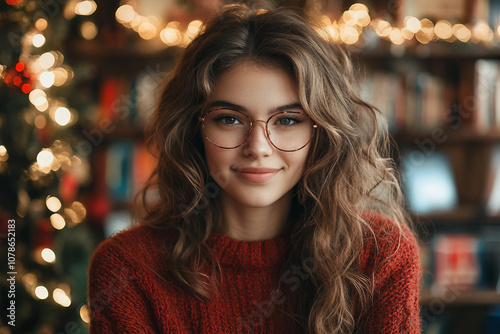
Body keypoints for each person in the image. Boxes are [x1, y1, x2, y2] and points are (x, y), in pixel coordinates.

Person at [88, 3, 421, 333]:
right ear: (193, 129)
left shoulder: (381, 255)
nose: (257, 147)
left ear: (322, 132)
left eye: (289, 120)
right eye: (229, 119)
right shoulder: (127, 269)